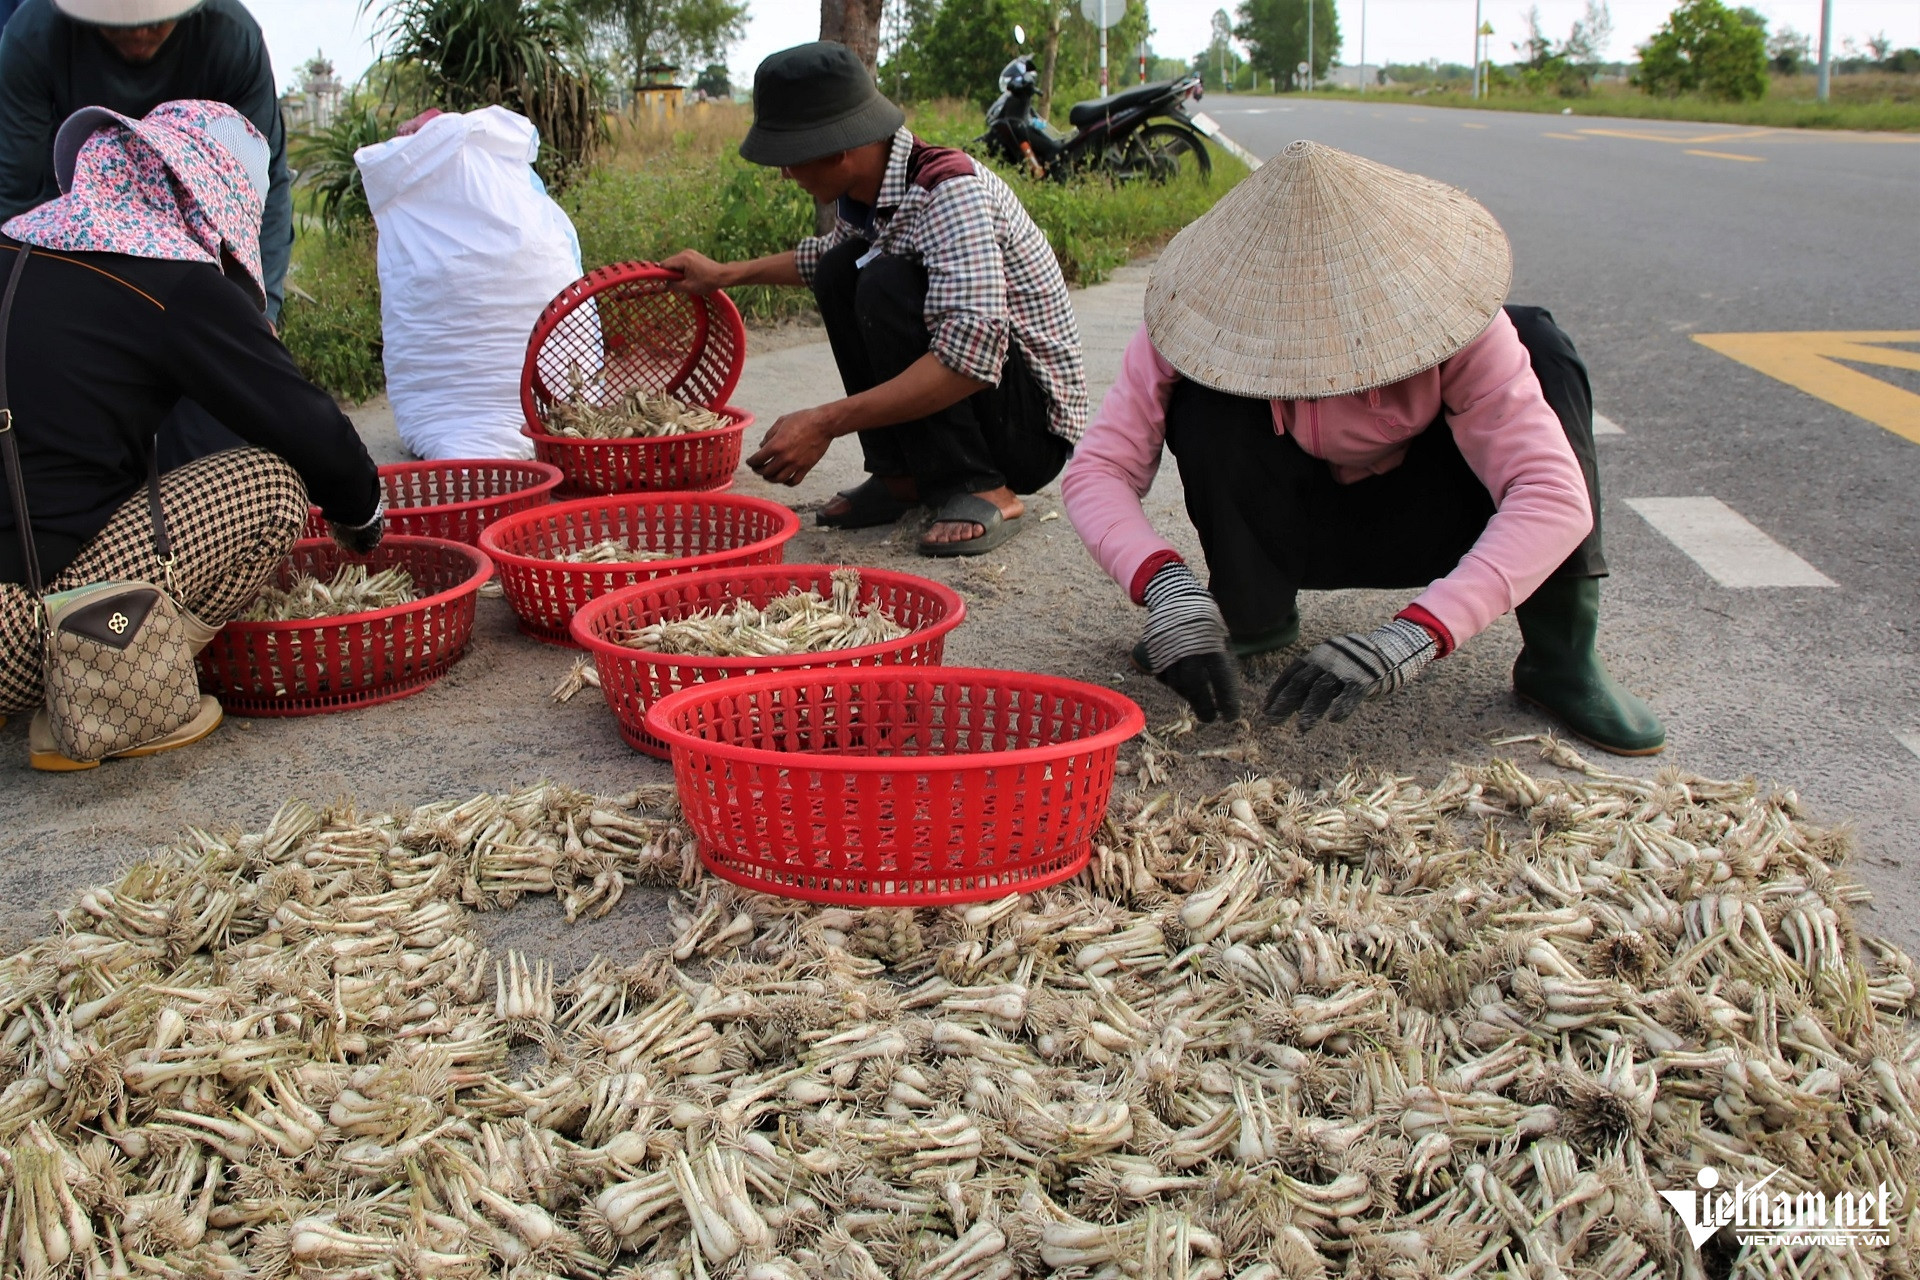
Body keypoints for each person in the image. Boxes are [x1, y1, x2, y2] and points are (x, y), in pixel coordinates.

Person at [1061, 140, 1665, 756]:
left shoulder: (1460, 315)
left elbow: (1552, 495)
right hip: (1289, 524)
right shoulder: (1196, 314)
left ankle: (1561, 656)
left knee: (1544, 349)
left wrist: (1419, 634)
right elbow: (1099, 470)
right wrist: (1166, 587)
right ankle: (1249, 610)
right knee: (1203, 401)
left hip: (1436, 521)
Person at [0, 100, 383, 770]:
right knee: (270, 488)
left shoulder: (17, 243)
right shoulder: (167, 277)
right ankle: (114, 697)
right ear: (217, 195)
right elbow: (306, 426)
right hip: (11, 631)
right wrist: (363, 516)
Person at [663, 42, 1088, 557]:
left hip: (1027, 430)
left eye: (790, 159)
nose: (784, 174)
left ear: (837, 149)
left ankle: (982, 485)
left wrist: (825, 421)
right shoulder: (874, 188)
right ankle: (902, 478)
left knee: (883, 283)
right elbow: (825, 258)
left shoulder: (949, 191)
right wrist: (723, 274)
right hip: (985, 396)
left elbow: (971, 362)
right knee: (844, 269)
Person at [0, 0, 293, 471]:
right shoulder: (32, 38)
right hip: (82, 253)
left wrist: (261, 309)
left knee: (217, 443)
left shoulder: (230, 37)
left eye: (155, 21)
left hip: (202, 262)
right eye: (119, 26)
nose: (138, 36)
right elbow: (16, 197)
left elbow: (264, 184)